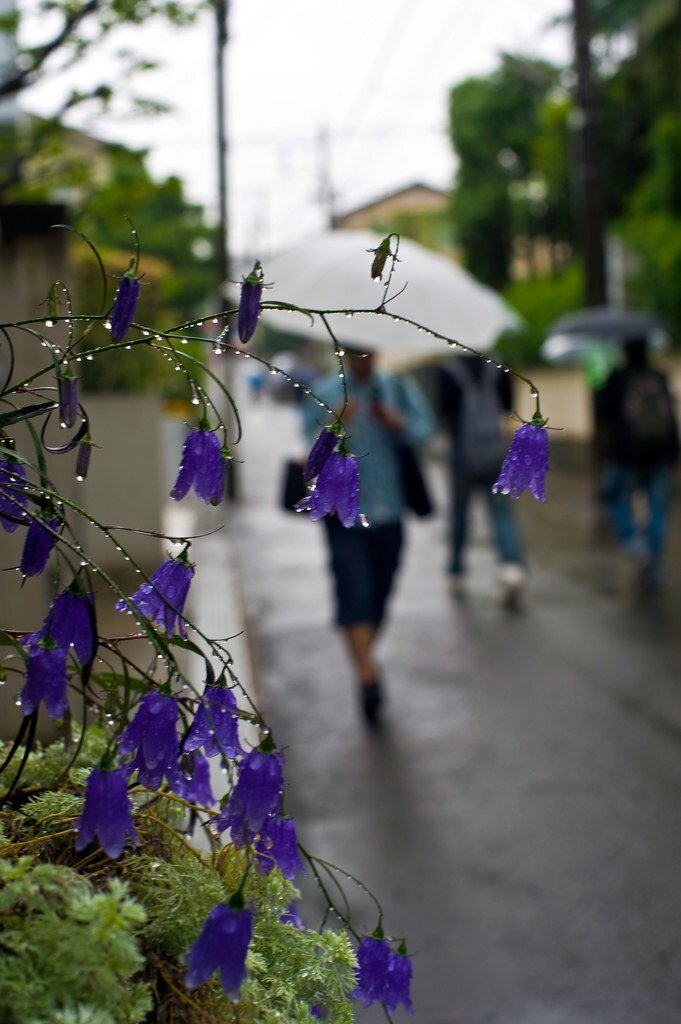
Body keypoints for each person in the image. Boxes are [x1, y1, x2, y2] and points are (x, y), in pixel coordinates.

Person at [301, 345, 434, 727]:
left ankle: (363, 657)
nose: (362, 359)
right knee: (353, 588)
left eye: (367, 353)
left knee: (380, 593)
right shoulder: (325, 390)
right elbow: (307, 448)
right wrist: (332, 427)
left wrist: (397, 422)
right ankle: (367, 675)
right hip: (341, 512)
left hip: (390, 509)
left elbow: (426, 429)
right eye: (354, 352)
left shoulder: (397, 387)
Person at [437, 354, 525, 607]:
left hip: (461, 454)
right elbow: (508, 407)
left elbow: (443, 413)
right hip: (495, 453)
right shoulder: (498, 367)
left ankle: (456, 571)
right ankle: (512, 567)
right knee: (502, 513)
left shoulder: (448, 371)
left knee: (460, 515)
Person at [594, 335, 679, 595]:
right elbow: (670, 418)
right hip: (659, 455)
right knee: (658, 511)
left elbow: (603, 415)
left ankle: (635, 545)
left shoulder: (617, 378)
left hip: (625, 456)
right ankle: (654, 570)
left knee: (615, 497)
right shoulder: (659, 376)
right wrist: (674, 454)